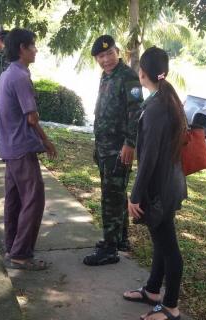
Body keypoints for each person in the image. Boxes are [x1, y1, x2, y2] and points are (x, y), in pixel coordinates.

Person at [122, 47, 187, 320]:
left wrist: (134, 197)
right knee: (161, 242)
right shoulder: (165, 100)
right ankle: (151, 290)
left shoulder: (157, 108)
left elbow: (147, 159)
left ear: (142, 73)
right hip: (169, 185)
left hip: (159, 191)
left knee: (169, 249)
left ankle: (170, 306)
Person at [0, 28, 57, 271]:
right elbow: (32, 118)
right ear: (22, 48)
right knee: (33, 199)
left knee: (14, 199)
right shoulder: (20, 77)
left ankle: (12, 247)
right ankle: (21, 254)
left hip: (9, 146)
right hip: (21, 147)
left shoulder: (7, 74)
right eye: (33, 46)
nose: (36, 50)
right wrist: (46, 141)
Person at [83, 35, 144, 266]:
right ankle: (121, 239)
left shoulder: (128, 76)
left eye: (109, 54)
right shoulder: (106, 76)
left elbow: (137, 111)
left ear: (117, 51)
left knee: (110, 196)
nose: (106, 59)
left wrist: (130, 143)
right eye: (101, 56)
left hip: (119, 147)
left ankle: (110, 249)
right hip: (105, 146)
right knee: (116, 194)